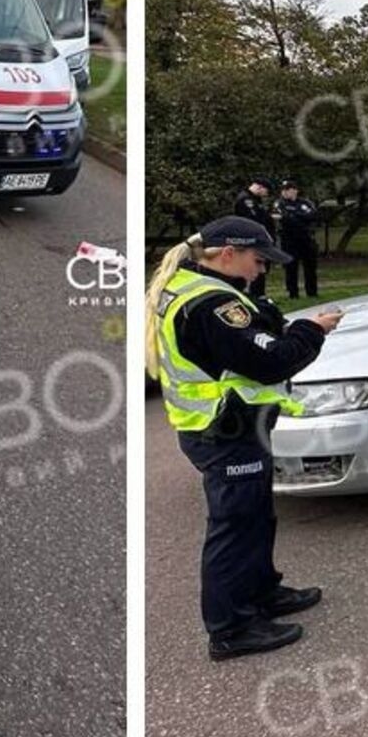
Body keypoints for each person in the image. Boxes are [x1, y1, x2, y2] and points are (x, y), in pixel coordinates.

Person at [146, 217, 345, 660]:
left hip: (232, 428)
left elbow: (248, 338)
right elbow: (272, 361)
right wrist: (313, 330)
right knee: (234, 528)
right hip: (224, 433)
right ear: (227, 254)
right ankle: (230, 628)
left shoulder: (196, 286)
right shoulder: (212, 305)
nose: (261, 271)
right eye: (258, 262)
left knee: (256, 517)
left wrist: (267, 313)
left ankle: (260, 594)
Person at [275, 179, 320, 300]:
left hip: (306, 238)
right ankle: (293, 293)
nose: (285, 193)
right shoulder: (280, 203)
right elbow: (285, 218)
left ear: (295, 191)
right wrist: (299, 217)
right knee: (291, 267)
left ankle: (312, 292)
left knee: (310, 266)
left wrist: (296, 215)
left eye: (288, 190)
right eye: (283, 190)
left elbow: (313, 215)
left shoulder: (305, 203)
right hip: (289, 239)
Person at [234, 177, 275, 297]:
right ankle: (254, 294)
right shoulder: (246, 199)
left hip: (258, 240)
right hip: (252, 240)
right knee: (255, 267)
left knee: (260, 268)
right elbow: (254, 219)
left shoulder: (255, 200)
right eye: (265, 192)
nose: (265, 195)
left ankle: (259, 293)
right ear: (260, 187)